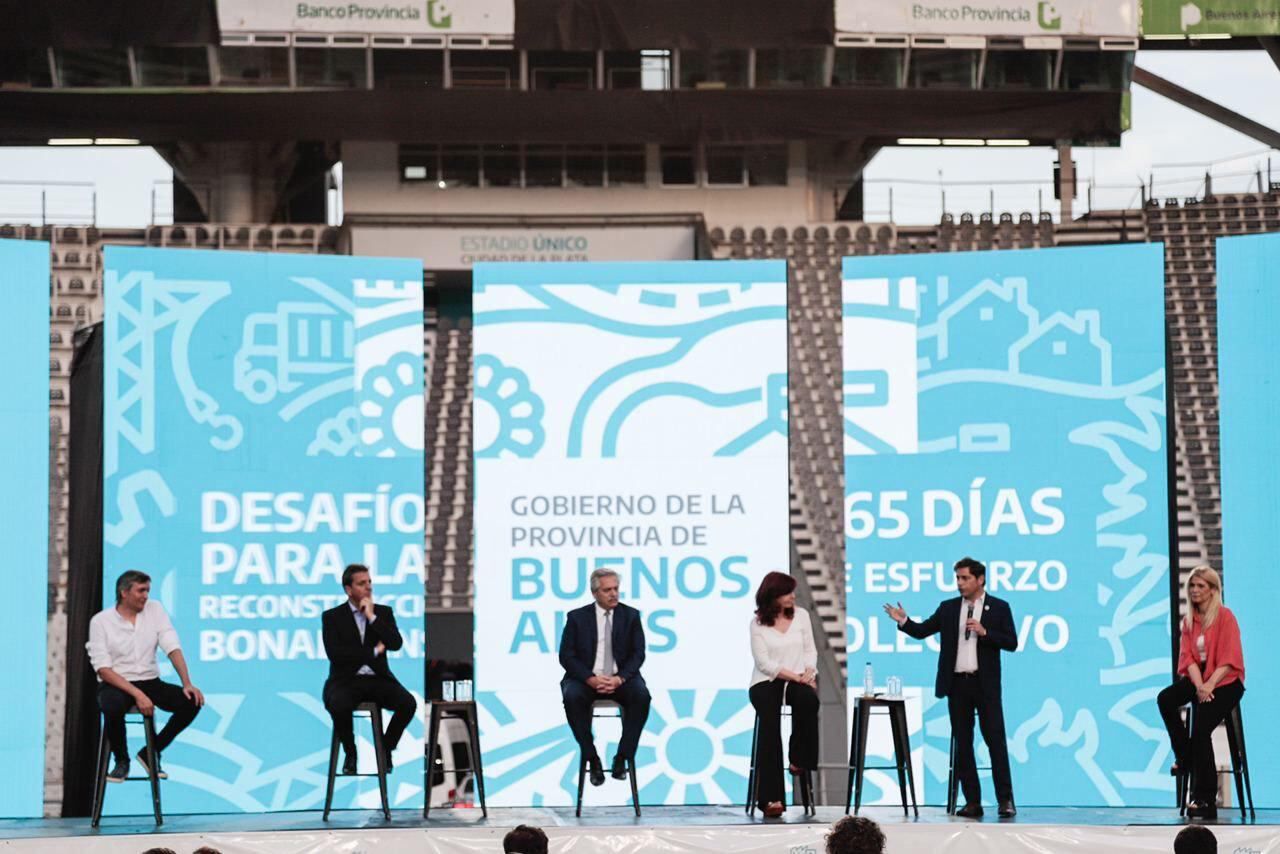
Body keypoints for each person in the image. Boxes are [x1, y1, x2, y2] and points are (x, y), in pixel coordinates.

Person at [883, 556, 1018, 818]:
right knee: (963, 744)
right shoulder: (948, 608)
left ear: (980, 579)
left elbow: (1011, 642)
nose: (959, 583)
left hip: (985, 684)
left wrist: (985, 632)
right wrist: (903, 620)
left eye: (965, 578)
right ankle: (973, 802)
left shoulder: (999, 607)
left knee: (995, 742)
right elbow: (922, 631)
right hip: (957, 685)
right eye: (957, 578)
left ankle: (1005, 800)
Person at [87, 570, 204, 783]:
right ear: (124, 593)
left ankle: (151, 752)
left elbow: (171, 645)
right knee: (111, 704)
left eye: (148, 590)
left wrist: (187, 683)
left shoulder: (155, 610)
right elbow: (103, 668)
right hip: (117, 683)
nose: (145, 596)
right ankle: (121, 761)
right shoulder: (101, 621)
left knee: (191, 702)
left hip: (150, 680)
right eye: (141, 590)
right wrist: (137, 694)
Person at [1157, 566, 1245, 820]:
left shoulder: (1226, 617)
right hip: (1201, 678)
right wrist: (1199, 687)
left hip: (1226, 680)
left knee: (1201, 727)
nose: (1195, 590)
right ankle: (1183, 756)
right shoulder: (1189, 621)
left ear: (1212, 590)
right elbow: (1188, 660)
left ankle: (1205, 799)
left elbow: (1230, 659)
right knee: (1166, 698)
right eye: (1192, 586)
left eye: (1201, 586)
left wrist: (1210, 686)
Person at [321, 564, 418, 775]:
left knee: (408, 703)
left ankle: (386, 748)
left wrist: (372, 617)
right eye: (362, 583)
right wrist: (373, 651)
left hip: (378, 680)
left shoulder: (383, 613)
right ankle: (350, 752)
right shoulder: (332, 617)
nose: (368, 587)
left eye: (370, 582)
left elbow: (395, 643)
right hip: (346, 680)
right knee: (339, 704)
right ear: (349, 589)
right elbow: (336, 655)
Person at [559, 568, 651, 786]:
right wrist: (589, 678)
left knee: (642, 697)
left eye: (616, 589)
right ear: (595, 593)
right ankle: (592, 758)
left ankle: (623, 757)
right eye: (607, 590)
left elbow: (638, 654)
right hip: (586, 679)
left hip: (621, 679)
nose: (613, 594)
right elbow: (567, 656)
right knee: (572, 697)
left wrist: (620, 678)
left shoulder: (631, 616)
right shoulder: (576, 618)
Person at [748, 571, 819, 818]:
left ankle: (799, 759)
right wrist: (794, 676)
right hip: (767, 681)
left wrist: (810, 671)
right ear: (773, 596)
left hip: (798, 678)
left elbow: (810, 649)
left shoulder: (802, 616)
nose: (792, 596)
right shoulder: (757, 624)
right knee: (769, 724)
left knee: (809, 701)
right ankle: (771, 798)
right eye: (787, 592)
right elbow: (764, 662)